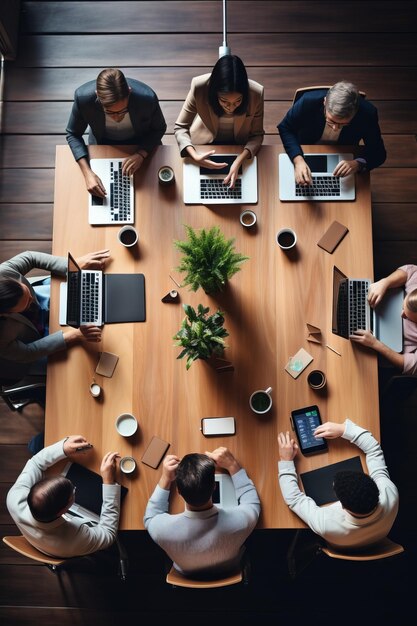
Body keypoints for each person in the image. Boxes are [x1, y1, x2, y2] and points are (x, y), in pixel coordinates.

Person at [277, 419, 398, 549]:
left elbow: (294, 499)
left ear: (343, 506)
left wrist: (285, 461)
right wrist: (343, 429)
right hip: (377, 541)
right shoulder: (389, 494)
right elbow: (374, 449)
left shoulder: (326, 524)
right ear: (375, 486)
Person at [144, 447, 261, 577]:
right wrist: (233, 465)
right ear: (214, 487)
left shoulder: (161, 531)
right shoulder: (241, 523)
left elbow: (151, 517)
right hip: (229, 570)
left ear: (178, 491)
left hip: (186, 573)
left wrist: (165, 478)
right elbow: (252, 502)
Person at [0, 250, 108, 381]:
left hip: (37, 314)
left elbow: (30, 257)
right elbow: (28, 353)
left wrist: (68, 265)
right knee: (76, 365)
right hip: (30, 345)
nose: (32, 298)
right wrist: (74, 335)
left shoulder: (4, 273)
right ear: (5, 313)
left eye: (27, 292)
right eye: (27, 302)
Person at [6, 435, 121, 558]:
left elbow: (36, 463)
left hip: (39, 537)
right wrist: (109, 482)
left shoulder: (14, 498)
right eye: (73, 492)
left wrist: (63, 449)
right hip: (68, 540)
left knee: (36, 443)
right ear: (64, 510)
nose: (74, 490)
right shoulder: (74, 540)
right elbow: (108, 534)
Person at [66, 68, 167, 197]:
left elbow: (159, 128)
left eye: (123, 111)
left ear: (129, 92)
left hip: (142, 144)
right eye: (110, 112)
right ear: (97, 95)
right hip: (102, 145)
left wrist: (141, 154)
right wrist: (87, 173)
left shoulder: (147, 98)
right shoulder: (83, 99)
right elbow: (73, 134)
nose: (117, 118)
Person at [174, 55, 264, 188]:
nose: (231, 107)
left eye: (238, 101)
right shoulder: (199, 87)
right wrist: (194, 155)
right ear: (214, 92)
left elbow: (257, 135)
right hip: (204, 144)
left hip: (240, 146)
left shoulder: (256, 93)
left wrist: (239, 160)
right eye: (224, 101)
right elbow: (181, 127)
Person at [277, 81, 386, 186]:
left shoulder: (368, 114)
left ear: (355, 112)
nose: (335, 128)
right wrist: (298, 160)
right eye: (331, 121)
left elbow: (379, 153)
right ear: (325, 102)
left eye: (343, 124)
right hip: (305, 149)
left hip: (343, 154)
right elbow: (285, 127)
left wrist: (358, 163)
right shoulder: (307, 102)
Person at [350, 264, 417, 374]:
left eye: (408, 317)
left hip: (378, 347)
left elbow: (409, 366)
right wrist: (385, 282)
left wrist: (374, 344)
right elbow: (411, 271)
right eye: (403, 307)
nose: (402, 315)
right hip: (379, 306)